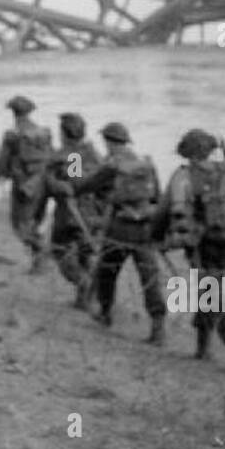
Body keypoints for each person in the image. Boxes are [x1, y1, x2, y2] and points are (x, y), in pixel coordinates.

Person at [154, 128, 225, 374]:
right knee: (209, 289)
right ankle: (203, 349)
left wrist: (156, 237)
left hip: (203, 243)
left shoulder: (183, 176)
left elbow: (162, 212)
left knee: (211, 297)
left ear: (187, 153)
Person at [68, 122, 167, 335]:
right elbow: (158, 198)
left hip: (119, 228)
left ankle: (105, 314)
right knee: (149, 277)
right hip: (145, 229)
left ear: (108, 142)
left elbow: (82, 185)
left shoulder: (112, 165)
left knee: (107, 272)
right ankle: (158, 326)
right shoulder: (146, 163)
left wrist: (73, 159)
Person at [43, 113, 104, 310]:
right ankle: (84, 297)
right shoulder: (92, 151)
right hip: (92, 212)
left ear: (64, 133)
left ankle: (84, 284)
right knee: (86, 253)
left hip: (73, 213)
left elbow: (75, 184)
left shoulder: (74, 156)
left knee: (60, 250)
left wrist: (53, 182)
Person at [0, 96, 52, 270]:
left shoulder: (12, 135)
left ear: (13, 113)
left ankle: (42, 253)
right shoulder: (45, 132)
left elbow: (1, 161)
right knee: (35, 221)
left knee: (20, 226)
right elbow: (52, 157)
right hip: (43, 184)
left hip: (23, 186)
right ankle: (38, 263)